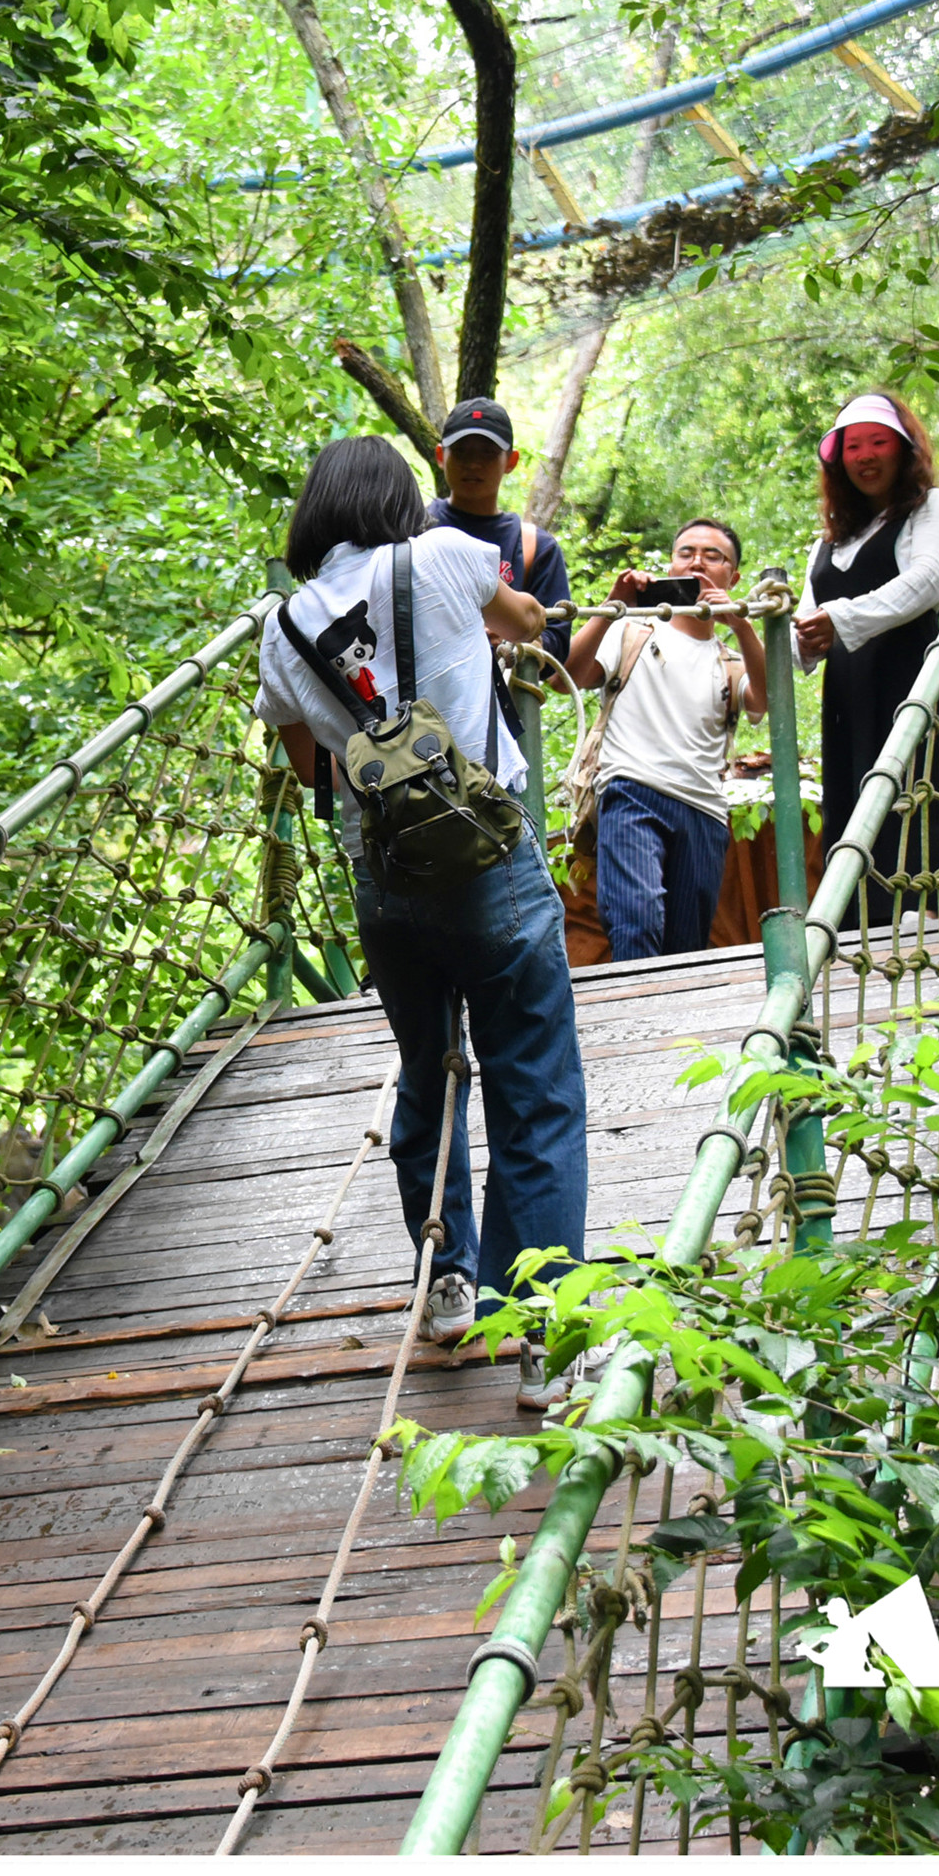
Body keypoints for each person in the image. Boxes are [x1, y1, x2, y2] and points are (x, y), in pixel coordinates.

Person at [256, 437, 594, 1410]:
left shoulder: (283, 625)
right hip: (492, 866)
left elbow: (310, 768)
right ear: (407, 497)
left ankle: (448, 1284)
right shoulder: (448, 557)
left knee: (429, 1070)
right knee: (534, 1087)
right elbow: (526, 619)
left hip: (389, 882)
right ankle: (548, 1343)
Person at [792, 392, 939, 929]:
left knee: (909, 799)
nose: (865, 456)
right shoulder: (828, 542)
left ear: (903, 450)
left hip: (907, 684)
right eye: (853, 446)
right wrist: (802, 640)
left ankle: (926, 919)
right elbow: (807, 621)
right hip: (845, 697)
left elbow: (928, 580)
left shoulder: (932, 510)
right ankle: (851, 932)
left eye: (878, 443)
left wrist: (842, 620)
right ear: (838, 460)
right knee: (847, 805)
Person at [563, 518, 767, 962]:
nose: (696, 561)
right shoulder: (632, 630)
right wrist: (613, 604)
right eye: (685, 552)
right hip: (632, 788)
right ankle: (639, 1027)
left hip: (704, 812)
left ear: (733, 576)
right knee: (636, 922)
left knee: (685, 948)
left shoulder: (730, 660)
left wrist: (742, 624)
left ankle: (674, 1032)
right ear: (671, 563)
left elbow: (764, 699)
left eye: (713, 556)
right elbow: (571, 677)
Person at [427, 395, 575, 715]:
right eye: (462, 452)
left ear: (511, 461)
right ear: (441, 456)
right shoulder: (412, 532)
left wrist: (518, 642)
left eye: (488, 453)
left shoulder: (536, 547)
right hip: (426, 710)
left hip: (506, 717)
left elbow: (557, 645)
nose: (473, 463)